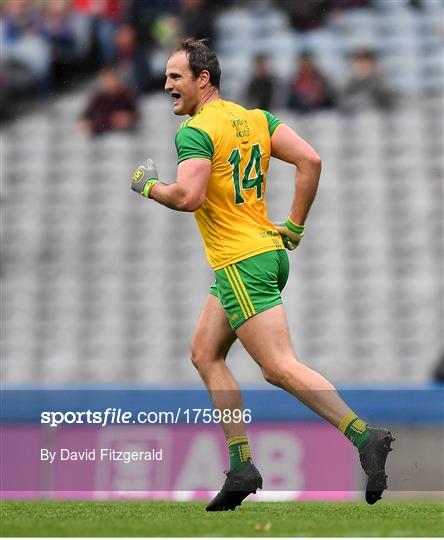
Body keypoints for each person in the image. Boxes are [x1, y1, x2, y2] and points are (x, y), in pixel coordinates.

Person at [130, 38, 395, 511]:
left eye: (175, 76)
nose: (167, 83)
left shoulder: (195, 131)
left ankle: (363, 435)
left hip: (239, 260)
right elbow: (310, 160)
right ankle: (241, 466)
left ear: (202, 79)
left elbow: (188, 197)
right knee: (204, 353)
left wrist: (147, 185)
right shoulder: (254, 117)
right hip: (267, 251)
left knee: (278, 366)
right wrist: (294, 226)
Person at [79, 67, 137, 136]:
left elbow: (135, 116)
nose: (109, 83)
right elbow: (86, 115)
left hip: (122, 135)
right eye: (106, 80)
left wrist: (128, 118)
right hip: (100, 135)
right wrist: (87, 123)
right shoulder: (98, 98)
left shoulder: (126, 96)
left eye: (111, 80)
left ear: (117, 80)